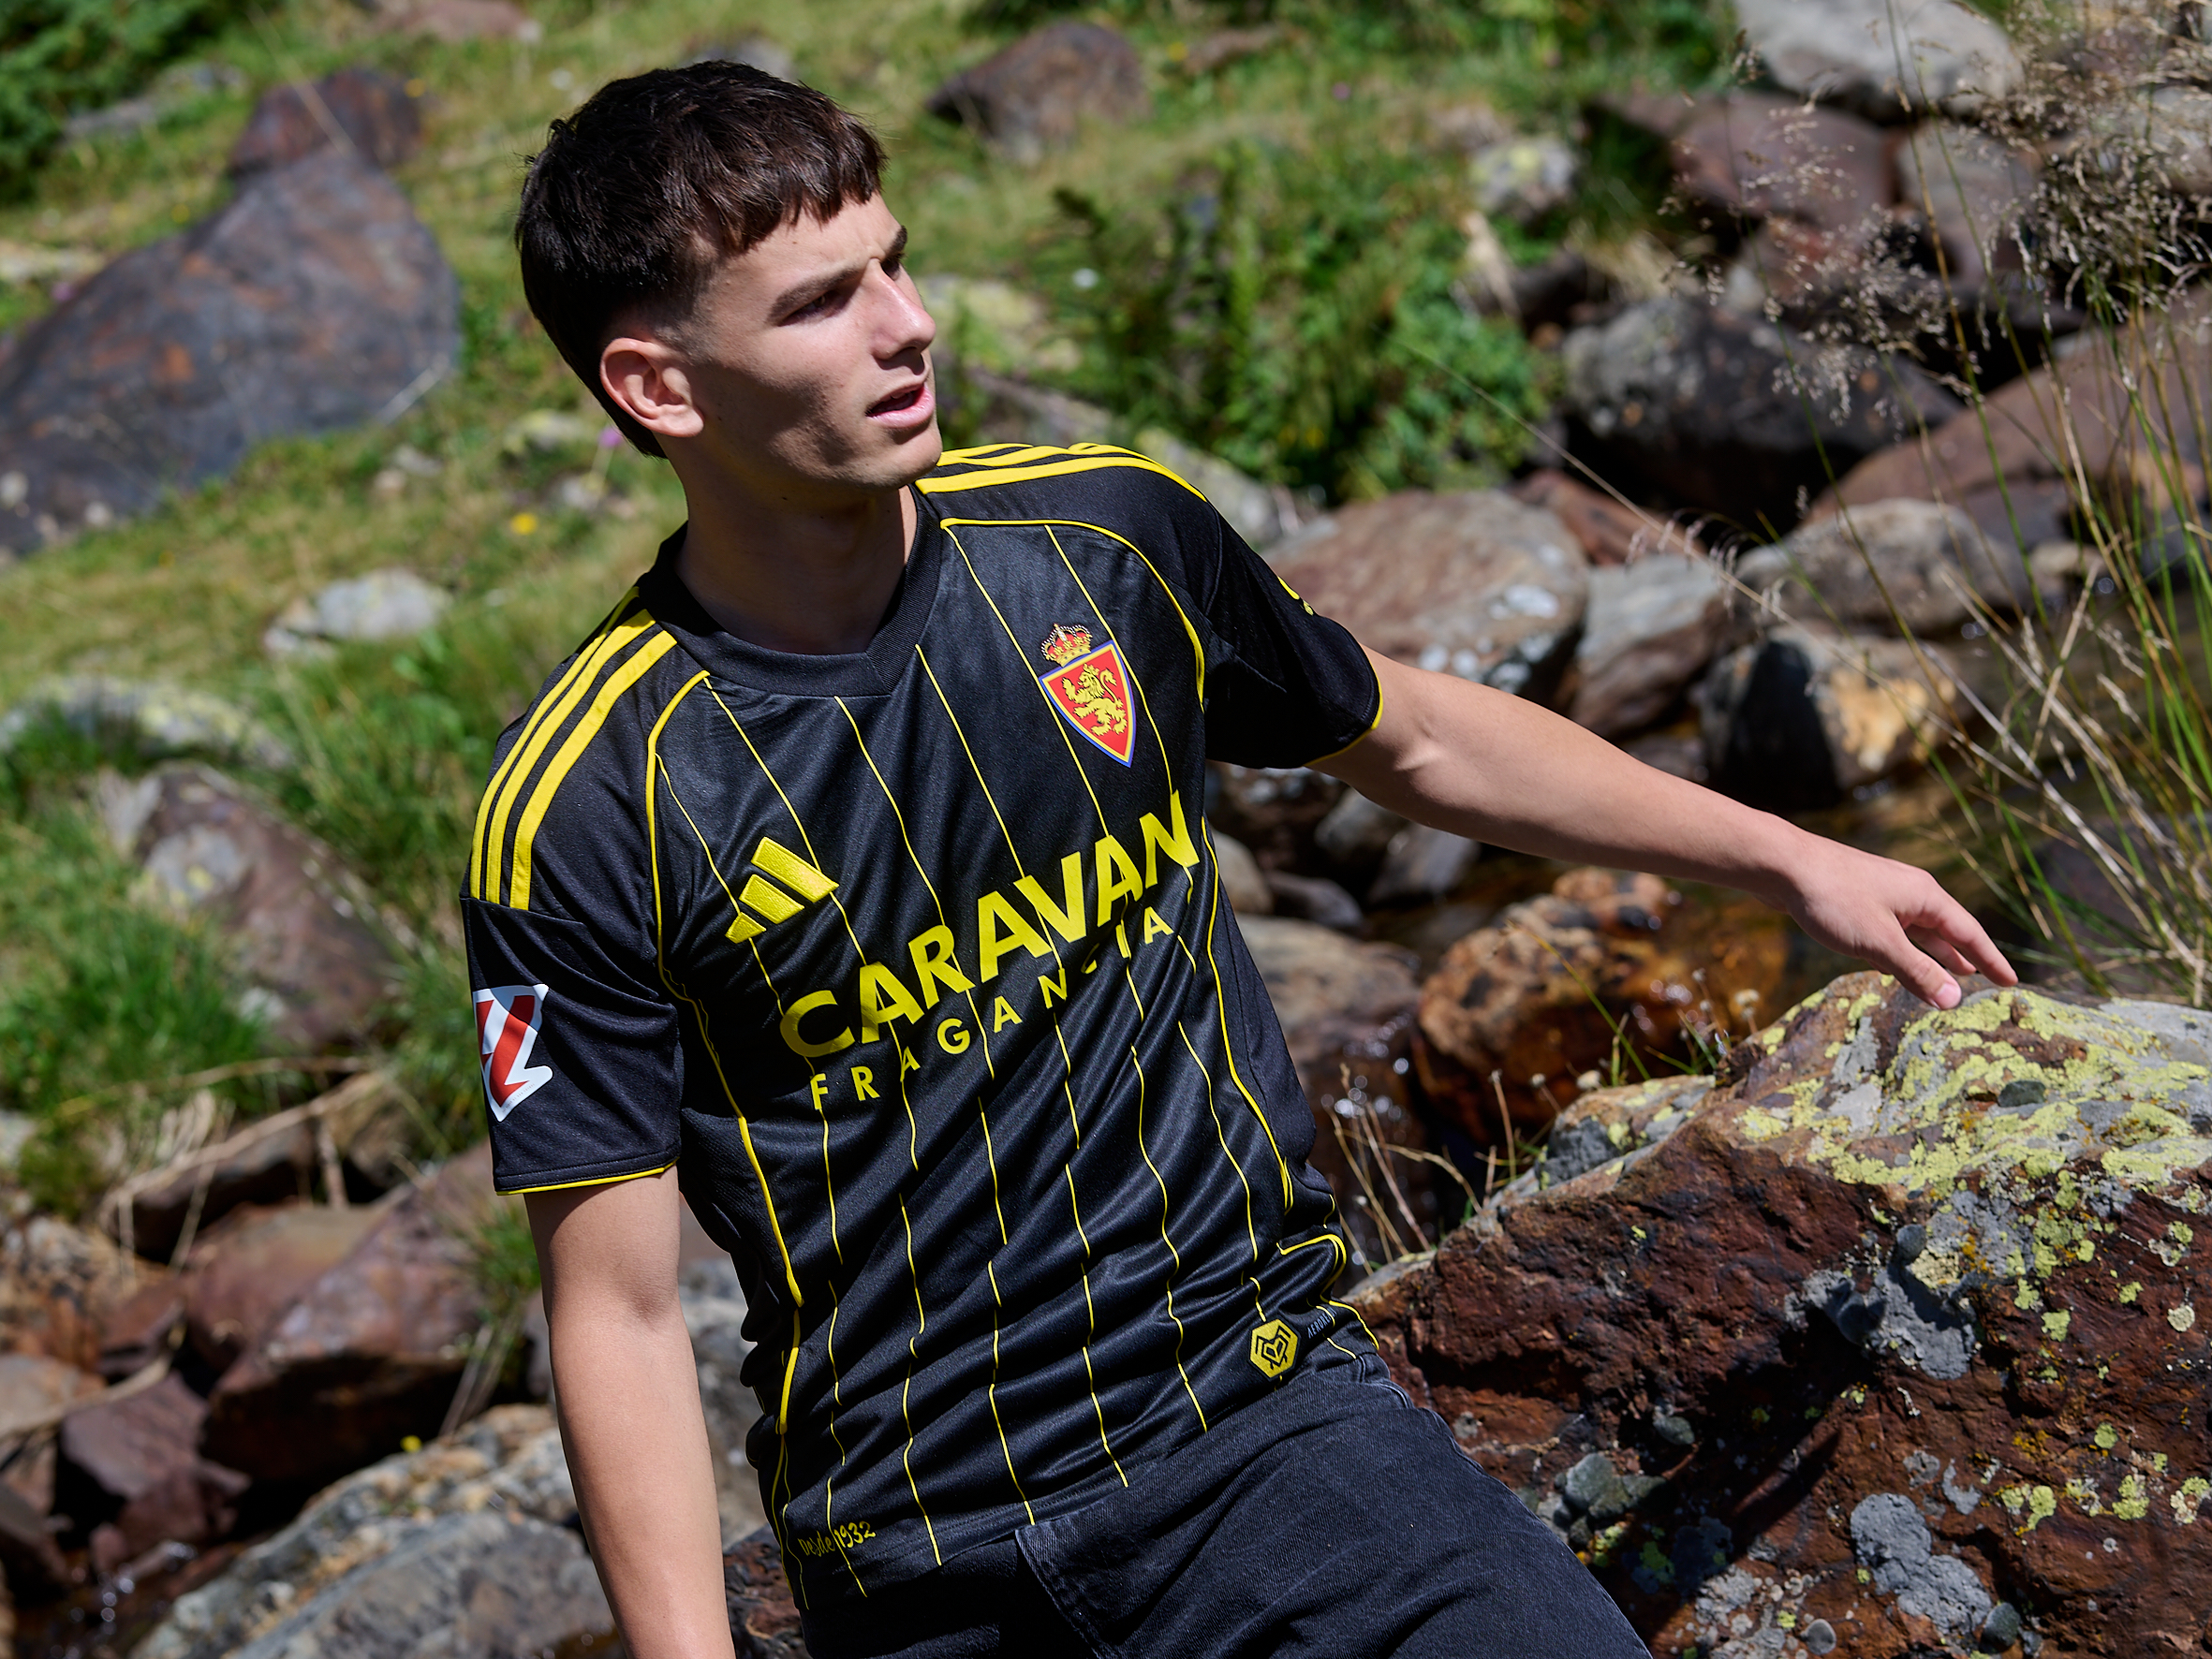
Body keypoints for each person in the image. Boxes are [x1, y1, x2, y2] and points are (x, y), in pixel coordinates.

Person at [464, 61, 2016, 1659]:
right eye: (820, 303)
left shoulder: (1108, 547)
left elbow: (1411, 738)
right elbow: (620, 1309)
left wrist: (1785, 860)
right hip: (915, 1557)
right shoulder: (587, 805)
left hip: (1268, 1438)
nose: (908, 324)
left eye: (897, 260)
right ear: (658, 387)